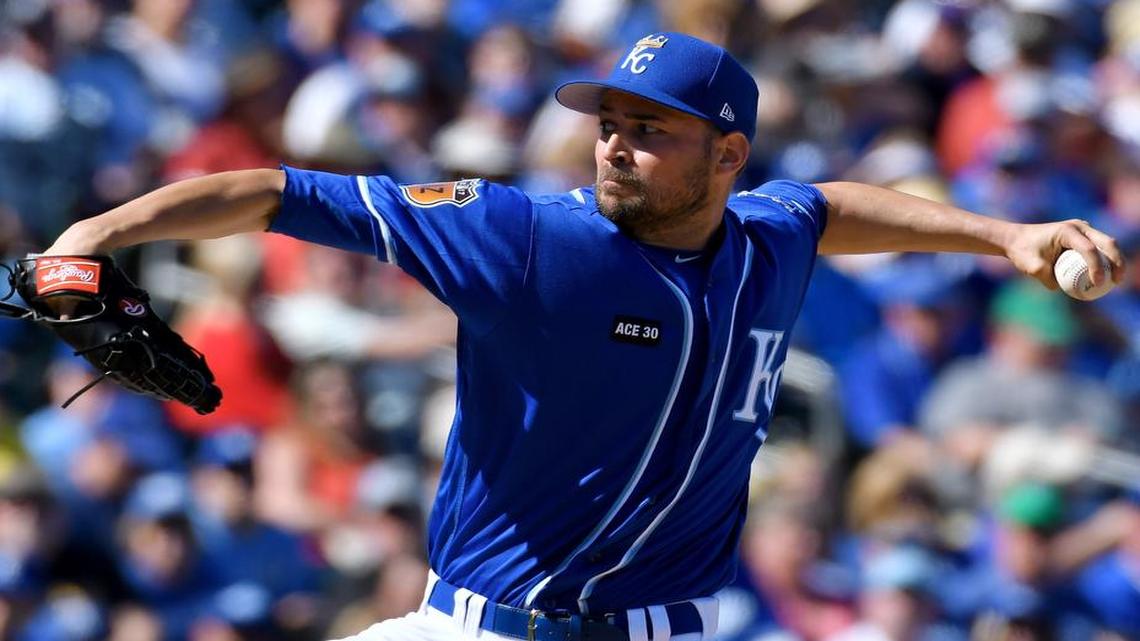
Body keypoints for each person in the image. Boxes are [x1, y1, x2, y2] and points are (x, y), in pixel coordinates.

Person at [42, 32, 1125, 641]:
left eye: (651, 131)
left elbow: (835, 204)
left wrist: (1004, 234)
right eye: (607, 122)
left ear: (729, 156)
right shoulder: (519, 236)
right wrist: (98, 230)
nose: (615, 146)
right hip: (483, 627)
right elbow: (279, 191)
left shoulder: (768, 234)